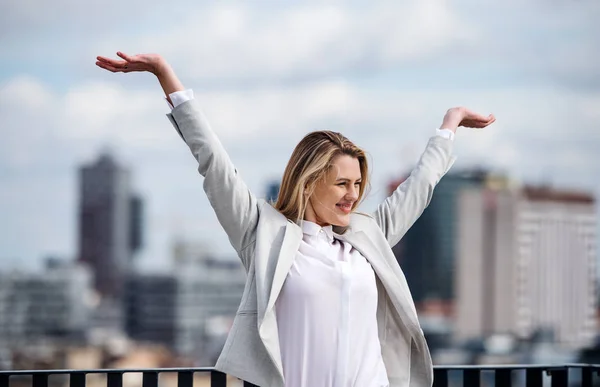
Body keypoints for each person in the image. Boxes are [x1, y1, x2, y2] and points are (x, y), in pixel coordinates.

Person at [96, 52, 495, 387]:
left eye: (358, 183)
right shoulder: (263, 234)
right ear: (309, 183)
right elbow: (214, 163)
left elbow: (419, 187)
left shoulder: (367, 237)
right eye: (341, 183)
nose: (353, 194)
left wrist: (449, 125)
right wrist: (165, 74)